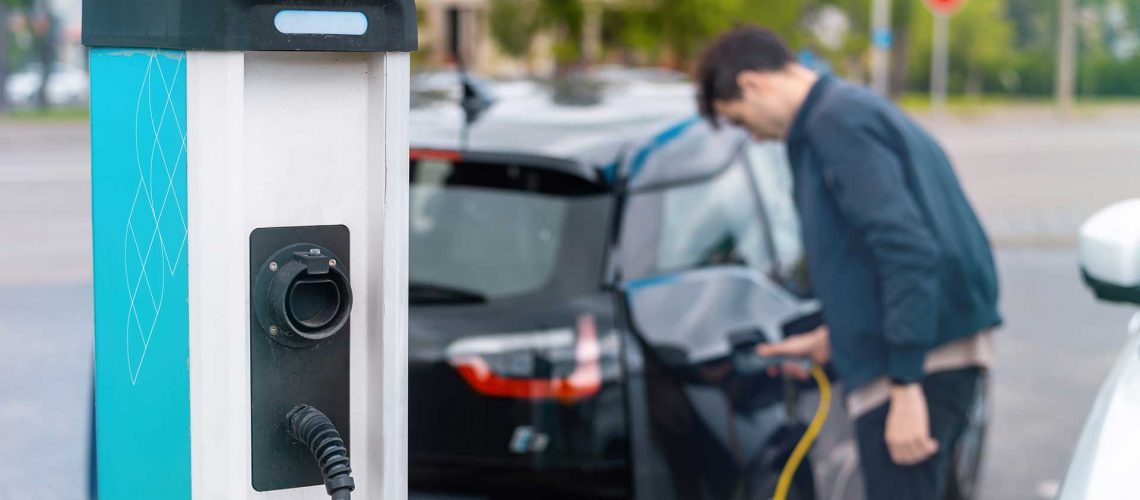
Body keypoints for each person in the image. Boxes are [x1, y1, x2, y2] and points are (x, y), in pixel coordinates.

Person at [695, 26, 1002, 499]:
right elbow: (871, 252)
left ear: (753, 84)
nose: (752, 138)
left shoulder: (834, 124)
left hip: (919, 365)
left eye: (740, 121)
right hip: (926, 351)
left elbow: (906, 248)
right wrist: (838, 333)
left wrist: (905, 384)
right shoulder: (848, 108)